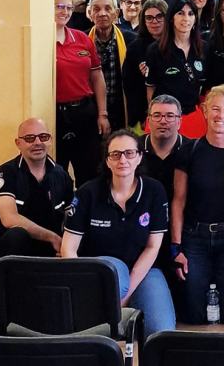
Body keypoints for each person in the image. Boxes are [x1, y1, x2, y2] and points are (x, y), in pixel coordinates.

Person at [62, 130, 176, 339]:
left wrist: (127, 294)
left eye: (129, 153)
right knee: (115, 276)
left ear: (139, 157)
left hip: (143, 270)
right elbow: (68, 248)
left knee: (161, 331)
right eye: (115, 154)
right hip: (100, 269)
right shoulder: (88, 192)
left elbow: (153, 246)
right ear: (107, 161)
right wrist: (80, 287)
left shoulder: (154, 190)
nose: (122, 159)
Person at [171, 85, 224, 324]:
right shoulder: (190, 150)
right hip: (195, 236)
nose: (221, 116)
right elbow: (178, 201)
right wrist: (176, 247)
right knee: (194, 316)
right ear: (204, 111)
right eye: (216, 109)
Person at [0, 118, 74, 277]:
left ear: (50, 140)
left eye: (43, 137)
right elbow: (9, 219)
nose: (38, 142)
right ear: (18, 143)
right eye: (30, 138)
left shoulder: (61, 175)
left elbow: (70, 216)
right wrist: (52, 237)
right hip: (8, 250)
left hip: (48, 250)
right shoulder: (5, 173)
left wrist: (68, 244)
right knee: (18, 235)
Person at [55, 0, 109, 186]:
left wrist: (102, 113)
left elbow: (97, 75)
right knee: (56, 171)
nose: (65, 11)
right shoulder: (40, 41)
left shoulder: (82, 38)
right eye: (59, 6)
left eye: (69, 7)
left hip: (84, 112)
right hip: (55, 114)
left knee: (90, 171)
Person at [145, 0, 207, 138]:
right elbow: (150, 87)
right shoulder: (156, 50)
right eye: (180, 13)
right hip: (164, 119)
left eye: (190, 13)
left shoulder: (203, 48)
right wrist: (153, 115)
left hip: (192, 116)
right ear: (171, 18)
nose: (186, 18)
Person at [87, 0, 137, 130]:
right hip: (91, 112)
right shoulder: (82, 41)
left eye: (108, 8)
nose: (102, 13)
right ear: (89, 13)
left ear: (116, 13)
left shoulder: (132, 41)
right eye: (96, 9)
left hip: (123, 111)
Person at [123, 0, 168, 133]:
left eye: (159, 16)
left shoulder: (178, 43)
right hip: (142, 116)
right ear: (143, 21)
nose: (154, 21)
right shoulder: (135, 48)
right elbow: (128, 85)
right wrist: (142, 116)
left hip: (174, 113)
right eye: (149, 18)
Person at [140, 94, 184, 203]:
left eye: (170, 116)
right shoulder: (134, 148)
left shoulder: (192, 150)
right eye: (156, 115)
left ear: (179, 122)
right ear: (148, 121)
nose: (163, 121)